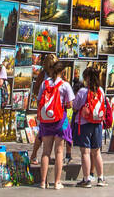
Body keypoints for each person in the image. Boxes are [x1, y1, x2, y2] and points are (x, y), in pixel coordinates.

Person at [35, 57, 74, 190]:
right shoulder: (65, 85)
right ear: (62, 72)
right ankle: (57, 182)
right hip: (60, 121)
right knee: (59, 151)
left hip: (46, 122)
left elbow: (39, 100)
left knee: (46, 151)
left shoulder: (45, 84)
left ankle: (42, 181)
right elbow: (70, 104)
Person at [72, 65, 108, 187]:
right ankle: (101, 178)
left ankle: (86, 179)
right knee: (97, 152)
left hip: (84, 124)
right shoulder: (101, 91)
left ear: (86, 78)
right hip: (98, 124)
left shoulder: (82, 92)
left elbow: (75, 106)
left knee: (85, 152)